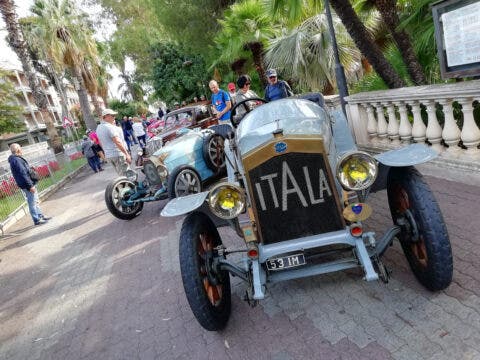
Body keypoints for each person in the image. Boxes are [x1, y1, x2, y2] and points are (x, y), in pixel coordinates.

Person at [8, 143, 51, 226]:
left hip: (28, 184)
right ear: (18, 150)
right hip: (27, 185)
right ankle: (37, 220)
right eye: (20, 148)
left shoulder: (16, 159)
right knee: (32, 203)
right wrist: (30, 185)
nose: (22, 150)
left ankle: (40, 216)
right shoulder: (16, 160)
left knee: (35, 201)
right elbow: (23, 174)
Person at [96, 109, 132, 176]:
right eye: (112, 115)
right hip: (117, 154)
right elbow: (117, 142)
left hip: (109, 155)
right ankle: (130, 185)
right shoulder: (110, 127)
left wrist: (106, 151)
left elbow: (100, 142)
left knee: (121, 175)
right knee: (127, 174)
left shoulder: (98, 128)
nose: (114, 117)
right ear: (106, 116)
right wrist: (127, 154)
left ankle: (126, 185)